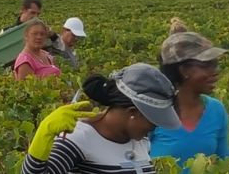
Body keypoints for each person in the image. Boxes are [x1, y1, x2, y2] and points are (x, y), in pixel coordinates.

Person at [21, 63, 181, 174]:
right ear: (132, 112)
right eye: (152, 120)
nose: (154, 127)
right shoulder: (78, 139)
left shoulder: (140, 141)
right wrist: (44, 133)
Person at [151, 31, 229, 172]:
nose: (215, 71)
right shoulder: (154, 111)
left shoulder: (216, 109)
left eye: (214, 64)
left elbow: (225, 162)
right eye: (206, 65)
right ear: (184, 70)